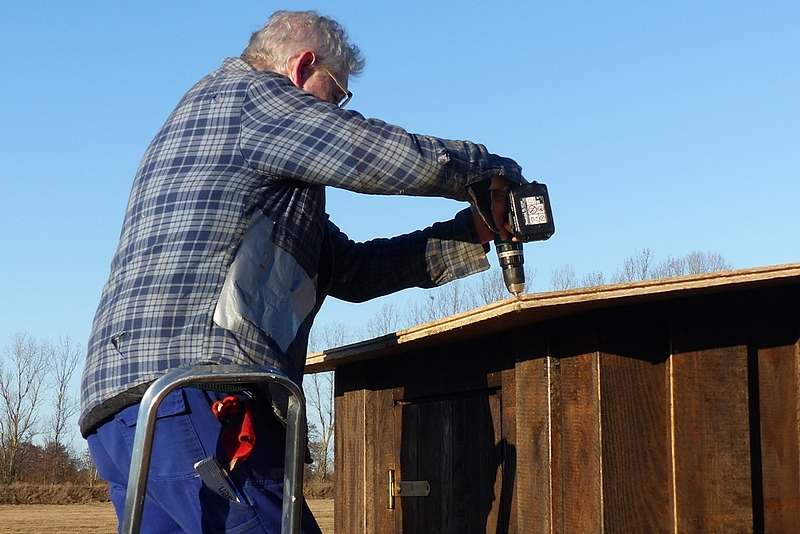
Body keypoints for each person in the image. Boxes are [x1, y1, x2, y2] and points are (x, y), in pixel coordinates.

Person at [79, 10, 523, 533]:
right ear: (302, 66)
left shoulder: (249, 167)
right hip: (195, 392)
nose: (335, 111)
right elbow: (371, 152)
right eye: (336, 96)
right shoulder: (251, 97)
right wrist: (493, 173)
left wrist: (473, 230)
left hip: (128, 415)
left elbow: (351, 270)